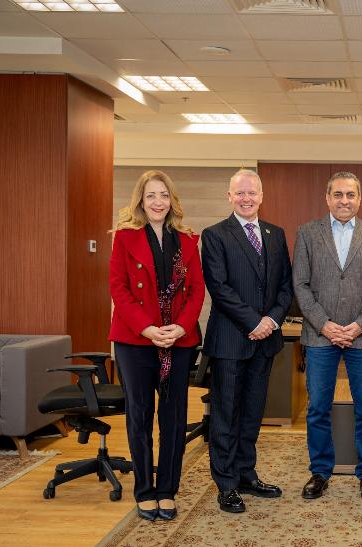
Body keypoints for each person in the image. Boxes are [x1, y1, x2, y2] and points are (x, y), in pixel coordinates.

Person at [109, 169, 205, 522]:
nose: (158, 202)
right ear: (141, 200)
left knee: (174, 418)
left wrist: (180, 327)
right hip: (136, 340)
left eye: (164, 195)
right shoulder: (124, 238)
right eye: (151, 195)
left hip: (178, 341)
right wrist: (148, 329)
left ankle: (167, 489)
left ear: (172, 200)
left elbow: (197, 290)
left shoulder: (188, 240)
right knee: (140, 416)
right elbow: (119, 289)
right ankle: (144, 491)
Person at [292, 171, 362, 501]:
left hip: (361, 337)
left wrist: (360, 325)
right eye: (338, 194)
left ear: (359, 199)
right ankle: (320, 472)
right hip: (320, 336)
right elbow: (300, 284)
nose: (344, 200)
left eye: (350, 195)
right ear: (327, 198)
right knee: (318, 408)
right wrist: (324, 325)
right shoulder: (308, 233)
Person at [201, 169, 293, 514]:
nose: (246, 198)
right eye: (239, 193)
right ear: (229, 196)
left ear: (261, 196)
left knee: (253, 413)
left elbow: (285, 286)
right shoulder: (215, 235)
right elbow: (219, 287)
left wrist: (270, 321)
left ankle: (245, 474)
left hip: (264, 341)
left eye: (252, 192)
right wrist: (254, 322)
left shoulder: (275, 234)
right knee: (226, 414)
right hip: (230, 340)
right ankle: (226, 484)